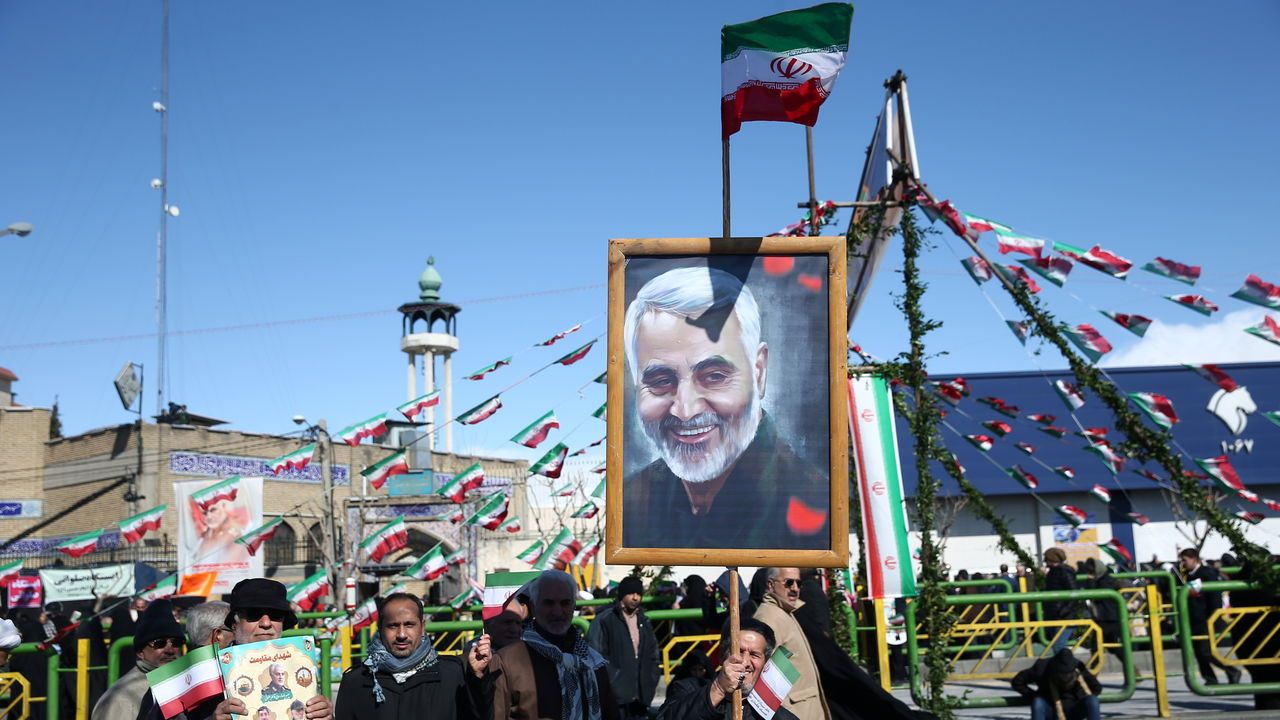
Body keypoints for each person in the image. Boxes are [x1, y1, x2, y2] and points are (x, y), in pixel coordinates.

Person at [621, 266, 830, 550]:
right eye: (660, 381)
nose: (685, 409)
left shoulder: (817, 502)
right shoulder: (629, 503)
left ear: (759, 372)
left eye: (715, 376)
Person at [486, 570, 618, 720]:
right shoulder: (507, 661)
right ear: (533, 606)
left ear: (573, 606)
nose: (557, 611)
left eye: (565, 603)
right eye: (549, 603)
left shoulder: (593, 661)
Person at [334, 592, 484, 720]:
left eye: (409, 625)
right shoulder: (356, 681)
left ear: (422, 627)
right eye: (393, 626)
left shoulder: (452, 674)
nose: (401, 635)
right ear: (380, 629)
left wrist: (477, 680)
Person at [212, 579, 333, 720]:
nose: (266, 623)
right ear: (234, 624)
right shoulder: (212, 673)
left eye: (275, 615)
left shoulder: (301, 664)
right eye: (254, 614)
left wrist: (325, 715)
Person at [658, 618, 797, 720]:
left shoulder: (776, 715)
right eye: (739, 651)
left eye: (754, 655)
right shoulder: (687, 688)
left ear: (766, 664)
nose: (745, 661)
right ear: (721, 656)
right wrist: (718, 689)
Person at [750, 568, 829, 720]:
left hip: (804, 709)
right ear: (771, 585)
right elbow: (762, 681)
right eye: (789, 583)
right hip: (795, 713)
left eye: (798, 583)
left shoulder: (783, 613)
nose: (795, 588)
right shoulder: (769, 618)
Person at [92, 599, 184, 720]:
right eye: (159, 643)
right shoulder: (123, 698)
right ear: (141, 652)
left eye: (176, 642)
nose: (170, 650)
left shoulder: (184, 684)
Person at [587, 576, 660, 720]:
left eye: (638, 594)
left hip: (640, 698)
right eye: (631, 593)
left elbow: (653, 654)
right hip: (615, 699)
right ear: (622, 595)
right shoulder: (605, 619)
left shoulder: (644, 621)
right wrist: (613, 682)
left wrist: (651, 679)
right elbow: (595, 655)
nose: (635, 598)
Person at [1179, 548, 1241, 685]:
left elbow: (1214, 596)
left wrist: (1213, 617)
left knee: (1205, 651)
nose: (1182, 563)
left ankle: (1231, 671)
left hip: (1206, 619)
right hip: (1195, 619)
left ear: (1194, 559)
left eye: (1185, 560)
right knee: (1199, 652)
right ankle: (1210, 678)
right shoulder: (1189, 575)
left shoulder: (1206, 573)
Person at [1010, 648, 1102, 720]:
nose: (1065, 678)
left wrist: (1082, 698)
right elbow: (1017, 682)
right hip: (1051, 710)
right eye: (1062, 675)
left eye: (1068, 675)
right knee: (1038, 702)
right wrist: (1035, 696)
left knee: (1092, 700)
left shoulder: (1078, 667)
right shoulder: (1042, 667)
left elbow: (1097, 687)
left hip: (1074, 710)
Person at [1042, 548, 1080, 653]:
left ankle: (1069, 667)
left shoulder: (1063, 572)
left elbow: (1074, 592)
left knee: (1059, 646)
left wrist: (1065, 610)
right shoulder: (1054, 572)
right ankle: (1066, 667)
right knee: (1057, 646)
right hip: (1057, 614)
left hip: (1064, 615)